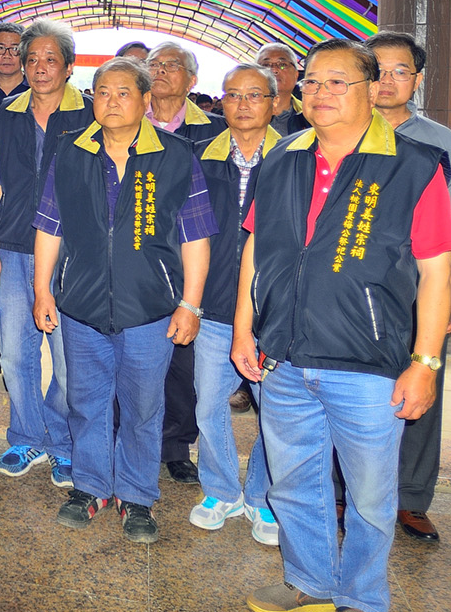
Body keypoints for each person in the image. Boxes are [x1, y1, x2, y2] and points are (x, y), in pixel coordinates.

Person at [230, 38, 451, 612]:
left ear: (371, 90)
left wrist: (425, 362)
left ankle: (361, 601)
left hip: (367, 360)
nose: (320, 93)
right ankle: (310, 580)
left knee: (370, 494)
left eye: (338, 82)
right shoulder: (283, 159)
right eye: (311, 82)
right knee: (294, 480)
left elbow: (435, 272)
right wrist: (245, 329)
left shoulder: (413, 166)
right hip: (284, 355)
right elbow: (256, 249)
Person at [32, 57, 213, 544]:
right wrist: (43, 289)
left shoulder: (175, 156)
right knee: (86, 402)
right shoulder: (71, 151)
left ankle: (136, 495)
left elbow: (196, 235)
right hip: (82, 305)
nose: (111, 101)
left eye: (123, 92)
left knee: (143, 407)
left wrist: (190, 304)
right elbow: (49, 225)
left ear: (146, 99)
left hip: (149, 309)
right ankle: (91, 487)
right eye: (103, 92)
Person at [366, 30, 451, 543]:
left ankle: (410, 497)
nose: (387, 81)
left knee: (421, 379)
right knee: (356, 386)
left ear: (418, 79)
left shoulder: (438, 139)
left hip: (423, 284)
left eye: (400, 71)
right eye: (378, 70)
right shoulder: (340, 130)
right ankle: (343, 492)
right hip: (358, 285)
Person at [0, 17, 91, 485]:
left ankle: (62, 443)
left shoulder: (89, 114)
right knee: (14, 352)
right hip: (13, 246)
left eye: (51, 59)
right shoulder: (9, 112)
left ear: (68, 66)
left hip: (72, 254)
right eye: (32, 59)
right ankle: (25, 436)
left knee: (68, 359)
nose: (40, 67)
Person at [187, 63, 281, 545]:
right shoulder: (199, 156)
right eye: (233, 95)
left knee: (275, 414)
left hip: (274, 312)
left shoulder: (294, 157)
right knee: (208, 404)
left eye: (255, 95)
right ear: (221, 101)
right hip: (215, 305)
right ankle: (221, 490)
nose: (243, 104)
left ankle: (263, 497)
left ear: (275, 102)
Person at [145, 39, 221, 483]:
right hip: (139, 254)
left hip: (190, 253)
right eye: (154, 63)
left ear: (192, 80)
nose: (160, 70)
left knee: (181, 360)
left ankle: (174, 446)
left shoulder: (212, 130)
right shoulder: (125, 120)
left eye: (171, 65)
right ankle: (125, 437)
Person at [255, 42, 306, 135]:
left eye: (282, 64)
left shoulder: (310, 115)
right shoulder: (238, 113)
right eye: (266, 65)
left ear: (296, 75)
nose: (274, 70)